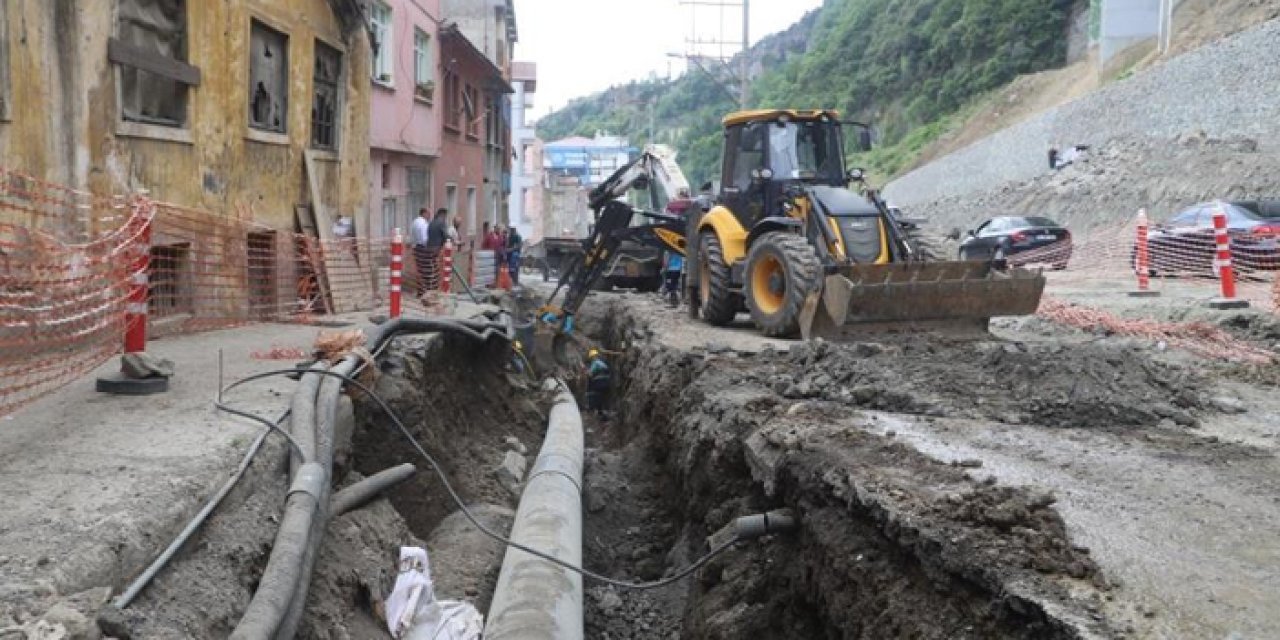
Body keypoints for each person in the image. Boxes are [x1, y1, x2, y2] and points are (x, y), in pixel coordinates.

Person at [410, 208, 433, 295]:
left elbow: (412, 236)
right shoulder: (423, 224)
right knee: (427, 270)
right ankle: (425, 292)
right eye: (428, 214)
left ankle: (420, 291)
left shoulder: (414, 222)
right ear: (424, 213)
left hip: (416, 248)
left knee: (420, 270)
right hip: (423, 249)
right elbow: (424, 239)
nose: (429, 216)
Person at [585, 348, 611, 420]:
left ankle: (600, 414)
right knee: (604, 398)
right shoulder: (603, 363)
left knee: (596, 397)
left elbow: (590, 374)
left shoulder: (595, 363)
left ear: (593, 357)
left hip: (599, 384)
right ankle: (605, 413)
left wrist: (586, 372)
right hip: (606, 383)